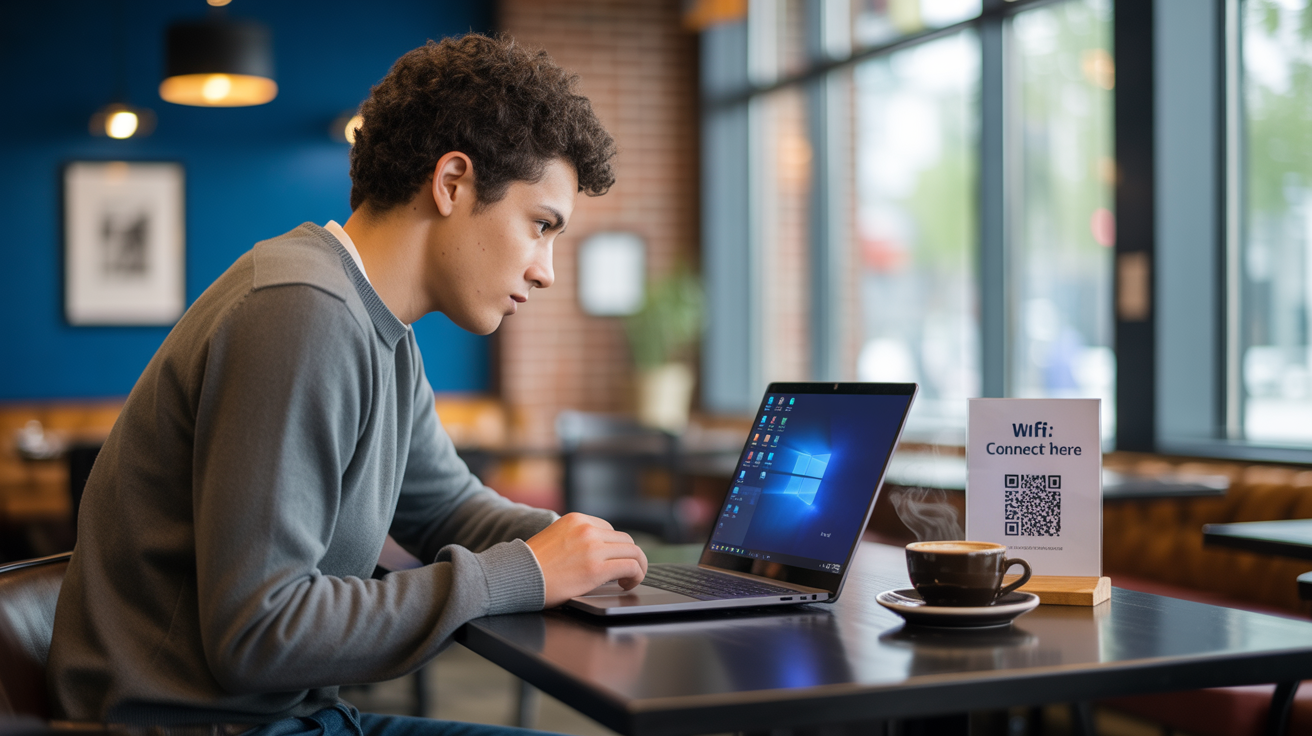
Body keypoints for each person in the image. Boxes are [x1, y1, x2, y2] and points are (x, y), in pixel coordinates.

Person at [47, 34, 648, 736]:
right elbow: (258, 631)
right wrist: (523, 573)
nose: (546, 270)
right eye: (540, 225)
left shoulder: (376, 326)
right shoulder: (301, 310)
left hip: (287, 718)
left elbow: (448, 508)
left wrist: (579, 549)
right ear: (452, 182)